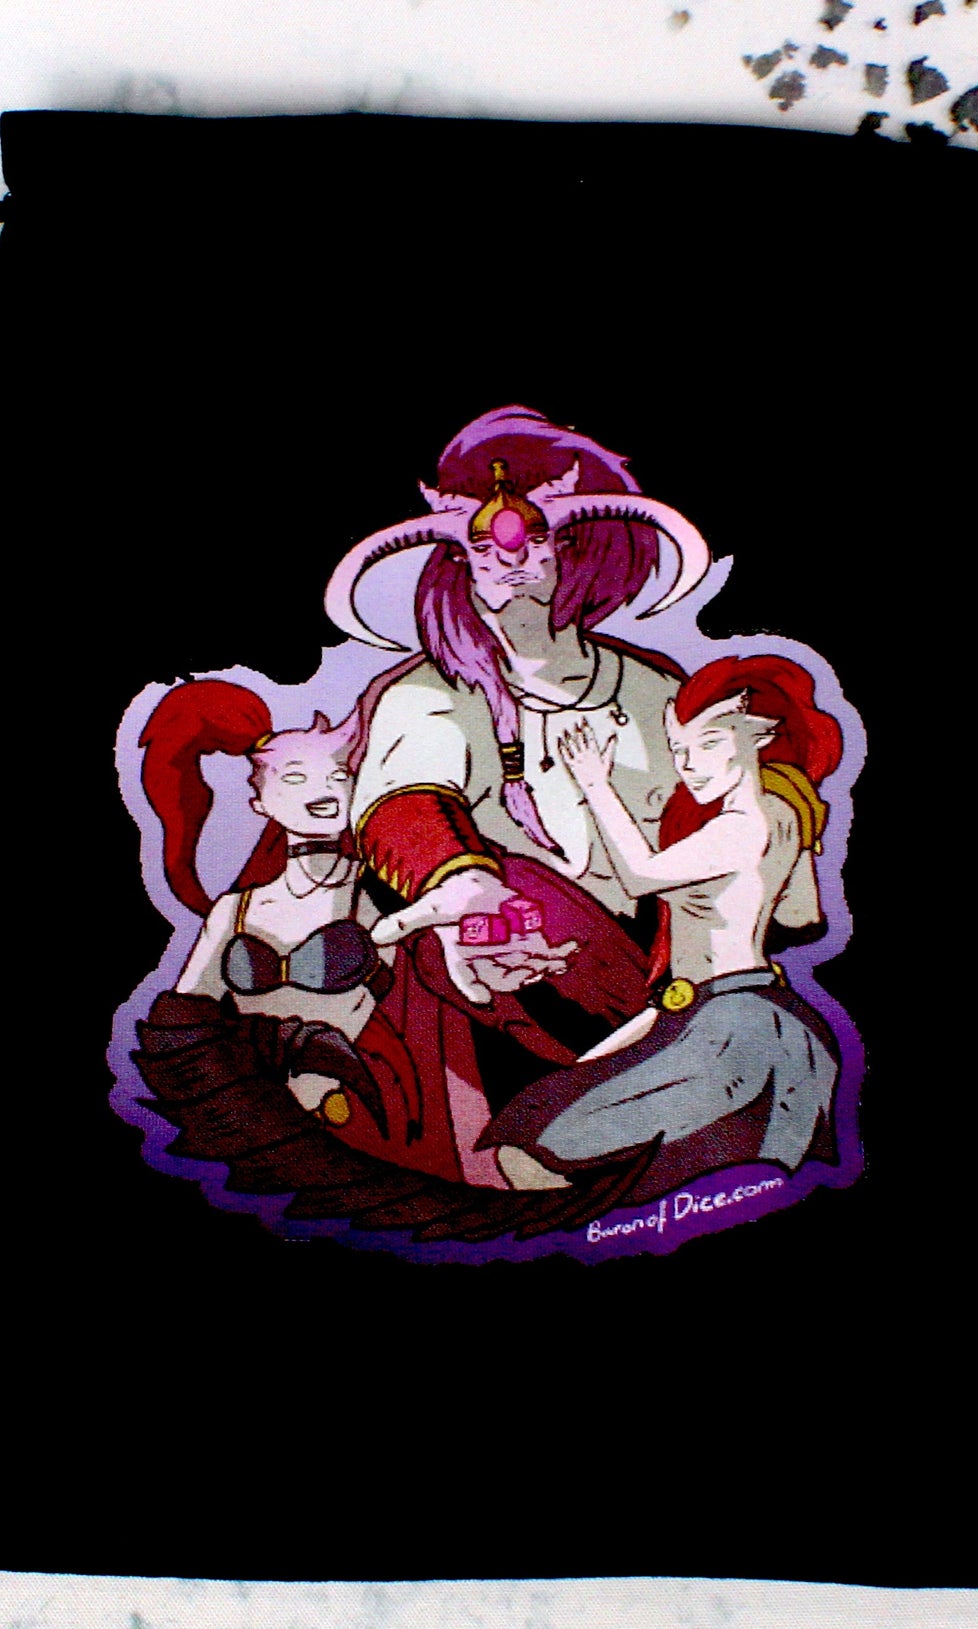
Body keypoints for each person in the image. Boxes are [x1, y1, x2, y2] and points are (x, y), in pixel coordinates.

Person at [325, 406, 713, 1058]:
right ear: (458, 559)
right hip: (513, 986)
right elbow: (403, 803)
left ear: (575, 546)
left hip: (677, 976)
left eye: (536, 538)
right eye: (483, 546)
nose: (511, 558)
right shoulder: (426, 694)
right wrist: (460, 884)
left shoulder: (657, 689)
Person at [480, 654, 844, 1200]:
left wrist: (594, 783)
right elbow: (802, 915)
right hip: (712, 1012)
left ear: (761, 734)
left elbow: (639, 875)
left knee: (541, 1145)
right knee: (554, 1130)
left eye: (709, 744)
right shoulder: (783, 814)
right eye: (678, 749)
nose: (689, 764)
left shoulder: (743, 825)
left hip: (733, 1025)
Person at [131, 679, 460, 1180]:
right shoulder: (235, 910)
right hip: (248, 1109)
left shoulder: (378, 892)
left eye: (338, 775)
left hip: (359, 1110)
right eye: (295, 777)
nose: (323, 790)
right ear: (259, 803)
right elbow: (183, 1020)